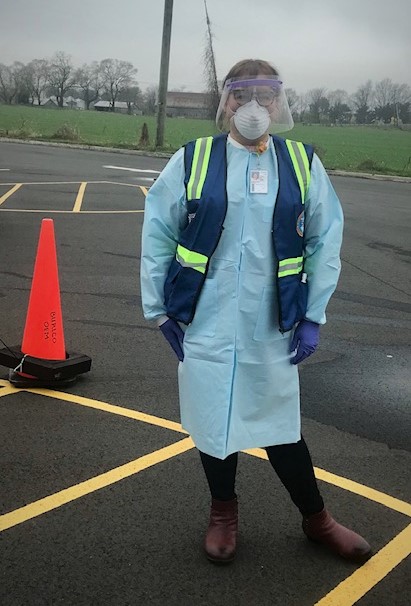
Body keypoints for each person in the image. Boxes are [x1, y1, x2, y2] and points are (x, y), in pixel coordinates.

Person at [140, 59, 371, 565]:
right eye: (242, 96)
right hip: (205, 317)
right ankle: (223, 512)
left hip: (273, 320)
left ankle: (318, 520)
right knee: (212, 420)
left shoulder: (301, 161)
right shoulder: (194, 158)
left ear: (278, 103)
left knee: (279, 424)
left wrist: (313, 315)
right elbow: (158, 232)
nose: (253, 107)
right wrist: (159, 311)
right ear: (225, 103)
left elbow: (324, 241)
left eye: (265, 96)